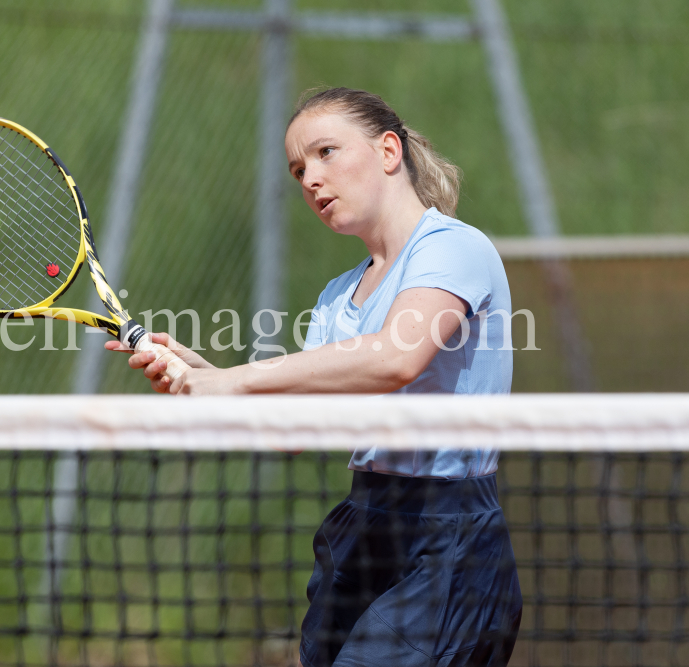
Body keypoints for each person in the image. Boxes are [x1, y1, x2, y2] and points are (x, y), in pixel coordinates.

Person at [106, 87, 522, 666]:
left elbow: (394, 358)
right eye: (299, 168)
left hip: (448, 534)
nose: (311, 179)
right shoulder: (336, 298)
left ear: (388, 150)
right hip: (362, 525)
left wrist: (237, 379)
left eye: (327, 152)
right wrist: (202, 377)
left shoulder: (454, 248)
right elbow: (293, 432)